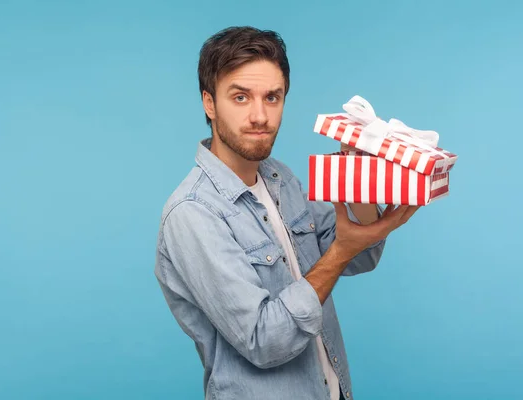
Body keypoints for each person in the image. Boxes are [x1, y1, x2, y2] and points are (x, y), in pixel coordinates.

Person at [154, 26, 419, 400]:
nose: (260, 116)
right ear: (209, 103)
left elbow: (359, 257)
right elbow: (265, 340)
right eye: (241, 97)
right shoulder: (193, 214)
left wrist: (358, 173)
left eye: (272, 97)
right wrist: (342, 250)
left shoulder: (281, 179)